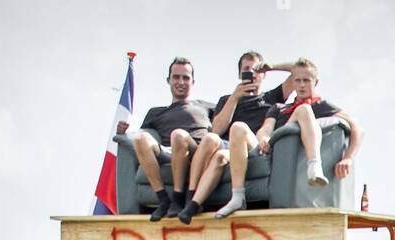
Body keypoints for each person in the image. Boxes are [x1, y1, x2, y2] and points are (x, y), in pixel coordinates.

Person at [179, 52, 297, 225]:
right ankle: (192, 201)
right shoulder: (227, 99)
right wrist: (234, 98)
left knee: (238, 128)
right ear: (240, 75)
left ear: (263, 73)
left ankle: (232, 197)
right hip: (229, 148)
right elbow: (217, 130)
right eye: (247, 70)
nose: (252, 73)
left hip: (253, 145)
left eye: (256, 69)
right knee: (212, 141)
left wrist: (272, 66)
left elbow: (300, 71)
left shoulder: (272, 97)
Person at [241, 58, 362, 198]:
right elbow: (265, 129)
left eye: (306, 80)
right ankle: (237, 196)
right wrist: (264, 138)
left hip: (292, 155)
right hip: (275, 146)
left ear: (315, 82)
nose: (302, 85)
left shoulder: (321, 106)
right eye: (297, 80)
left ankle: (315, 165)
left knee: (304, 109)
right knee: (241, 128)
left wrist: (348, 158)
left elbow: (356, 127)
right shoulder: (279, 108)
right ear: (292, 83)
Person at [131, 58, 214, 222]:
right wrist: (123, 131)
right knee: (140, 137)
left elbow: (222, 127)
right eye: (176, 77)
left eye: (186, 78)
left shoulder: (207, 107)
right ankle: (163, 200)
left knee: (178, 135)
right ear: (168, 80)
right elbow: (140, 141)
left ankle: (178, 198)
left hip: (196, 150)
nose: (181, 82)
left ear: (193, 81)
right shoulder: (155, 112)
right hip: (168, 150)